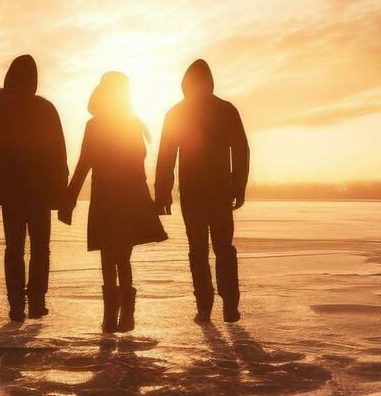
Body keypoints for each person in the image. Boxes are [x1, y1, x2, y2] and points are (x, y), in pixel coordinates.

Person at [60, 71, 167, 332]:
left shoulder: (99, 125)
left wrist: (70, 198)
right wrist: (69, 199)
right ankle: (120, 315)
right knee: (121, 256)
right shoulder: (129, 123)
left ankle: (114, 316)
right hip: (127, 198)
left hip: (109, 198)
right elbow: (132, 164)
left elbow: (84, 163)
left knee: (110, 256)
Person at [0, 55, 67, 321]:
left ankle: (17, 305)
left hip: (11, 191)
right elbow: (59, 155)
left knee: (15, 248)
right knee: (39, 248)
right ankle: (36, 302)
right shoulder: (44, 108)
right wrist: (60, 192)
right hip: (37, 191)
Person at [155, 59, 249, 322]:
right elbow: (241, 150)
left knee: (200, 249)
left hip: (198, 192)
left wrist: (162, 191)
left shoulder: (178, 112)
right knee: (222, 248)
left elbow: (165, 156)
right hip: (215, 191)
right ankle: (227, 305)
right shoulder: (224, 109)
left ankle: (206, 307)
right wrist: (238, 185)